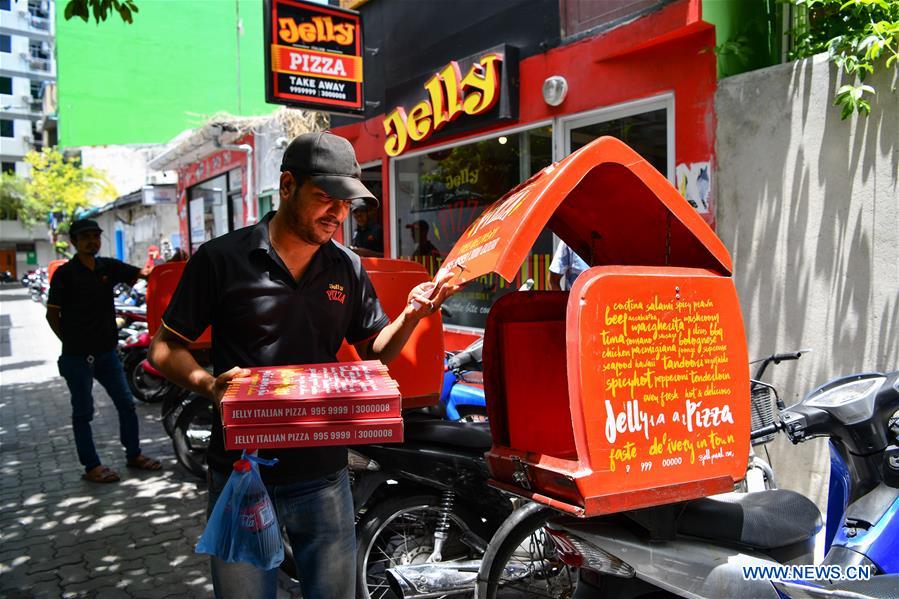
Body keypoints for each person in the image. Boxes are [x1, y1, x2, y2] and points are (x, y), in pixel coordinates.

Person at [148, 131, 459, 599]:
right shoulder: (222, 260)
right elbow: (164, 347)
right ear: (288, 186)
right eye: (325, 198)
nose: (337, 212)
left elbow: (375, 351)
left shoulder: (346, 267)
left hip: (324, 475)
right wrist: (209, 384)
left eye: (346, 203)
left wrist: (413, 315)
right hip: (241, 473)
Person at [46, 219, 163, 484]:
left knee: (126, 404)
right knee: (83, 413)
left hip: (107, 354)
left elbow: (145, 274)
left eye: (96, 236)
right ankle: (91, 466)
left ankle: (134, 454)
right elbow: (52, 315)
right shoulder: (66, 274)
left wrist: (171, 264)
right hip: (77, 357)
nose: (92, 241)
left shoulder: (107, 267)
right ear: (74, 242)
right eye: (85, 237)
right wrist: (71, 341)